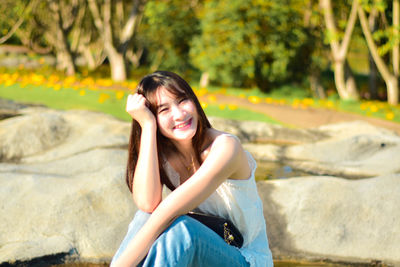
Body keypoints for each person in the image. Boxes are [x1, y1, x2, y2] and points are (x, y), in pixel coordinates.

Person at [111, 71, 273, 267]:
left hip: (245, 259)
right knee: (144, 217)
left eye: (182, 100)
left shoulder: (226, 148)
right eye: (163, 110)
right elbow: (147, 204)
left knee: (184, 231)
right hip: (203, 255)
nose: (179, 114)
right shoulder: (165, 155)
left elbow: (165, 213)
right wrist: (147, 126)